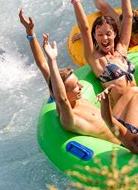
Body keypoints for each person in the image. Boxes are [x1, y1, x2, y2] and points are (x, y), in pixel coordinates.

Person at [57, 0, 138, 131]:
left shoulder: (121, 50)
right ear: (95, 36)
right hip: (122, 114)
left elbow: (127, 16)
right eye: (99, 34)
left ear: (114, 34)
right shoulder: (95, 58)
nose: (104, 38)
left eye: (108, 34)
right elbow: (84, 28)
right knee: (137, 93)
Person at [18, 8, 120, 144]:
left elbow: (42, 65)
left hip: (125, 131)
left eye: (78, 83)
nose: (81, 86)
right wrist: (52, 61)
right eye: (76, 87)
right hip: (122, 147)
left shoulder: (78, 100)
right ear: (64, 92)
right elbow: (61, 99)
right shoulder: (70, 117)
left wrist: (30, 33)